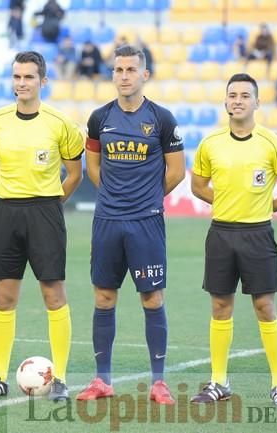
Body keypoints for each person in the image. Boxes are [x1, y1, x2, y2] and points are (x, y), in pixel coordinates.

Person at [190, 73, 277, 408]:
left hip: (258, 235)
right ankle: (218, 382)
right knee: (220, 307)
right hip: (221, 234)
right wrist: (228, 202)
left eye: (245, 95)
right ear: (225, 101)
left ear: (257, 102)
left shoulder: (272, 142)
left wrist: (266, 206)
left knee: (264, 307)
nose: (238, 100)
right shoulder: (211, 143)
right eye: (232, 95)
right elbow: (198, 185)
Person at [76, 44, 186, 404]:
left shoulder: (162, 119)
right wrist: (112, 194)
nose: (124, 76)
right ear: (113, 75)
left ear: (144, 75)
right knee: (104, 296)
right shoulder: (99, 118)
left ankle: (158, 382)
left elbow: (176, 171)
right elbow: (92, 166)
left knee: (152, 297)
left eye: (130, 70)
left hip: (146, 222)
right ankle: (102, 380)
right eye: (118, 70)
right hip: (108, 219)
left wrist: (148, 199)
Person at [0, 51, 84, 401]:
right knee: (4, 298)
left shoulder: (60, 123)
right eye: (17, 77)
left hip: (45, 214)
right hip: (7, 212)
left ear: (43, 81)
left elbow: (75, 173)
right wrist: (15, 194)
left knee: (53, 295)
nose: (22, 83)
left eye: (29, 77)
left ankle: (62, 379)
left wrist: (51, 203)